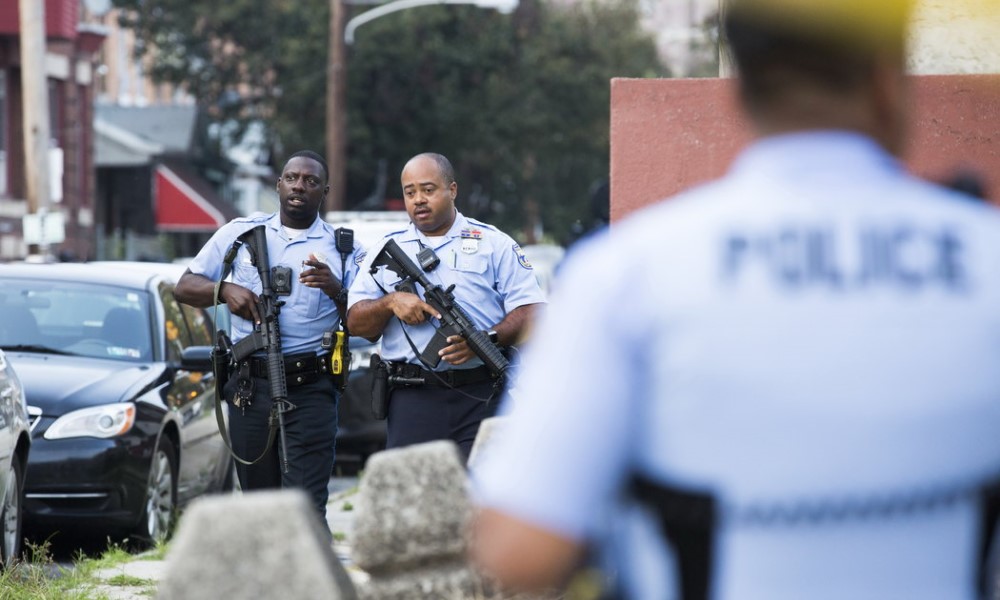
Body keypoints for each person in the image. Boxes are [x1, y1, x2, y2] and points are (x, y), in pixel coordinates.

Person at [470, 1, 1000, 598]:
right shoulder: (988, 258)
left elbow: (519, 551)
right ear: (885, 76)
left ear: (741, 86)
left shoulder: (626, 276)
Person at [174, 150, 363, 522]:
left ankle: (310, 579)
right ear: (278, 184)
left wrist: (335, 288)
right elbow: (184, 287)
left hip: (311, 390)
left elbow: (362, 322)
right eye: (292, 178)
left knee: (306, 507)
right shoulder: (240, 233)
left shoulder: (345, 249)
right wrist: (225, 291)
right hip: (251, 388)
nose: (299, 186)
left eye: (311, 181)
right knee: (258, 507)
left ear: (325, 190)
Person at [346, 152, 545, 462]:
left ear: (452, 190)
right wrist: (390, 302)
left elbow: (533, 312)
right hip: (412, 396)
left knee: (484, 497)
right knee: (413, 496)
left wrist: (486, 340)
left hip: (482, 394)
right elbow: (356, 323)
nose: (419, 200)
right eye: (410, 192)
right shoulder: (385, 249)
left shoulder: (493, 243)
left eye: (428, 189)